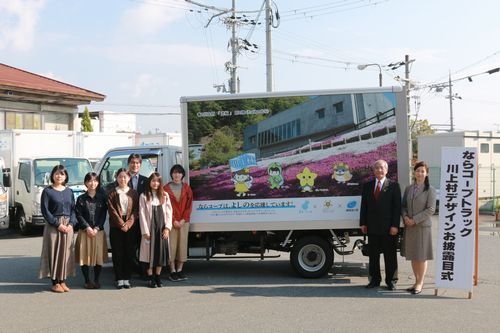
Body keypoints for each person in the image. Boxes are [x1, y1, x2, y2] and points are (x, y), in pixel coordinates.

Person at [360, 159, 401, 290]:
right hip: (372, 227)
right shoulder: (367, 186)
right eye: (376, 168)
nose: (379, 170)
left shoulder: (394, 186)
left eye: (381, 168)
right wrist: (363, 223)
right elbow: (364, 206)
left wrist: (395, 225)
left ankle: (391, 280)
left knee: (390, 256)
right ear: (373, 170)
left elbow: (397, 208)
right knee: (373, 256)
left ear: (386, 170)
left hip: (389, 228)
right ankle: (375, 280)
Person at [39, 165, 77, 293]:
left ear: (66, 176)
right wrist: (57, 224)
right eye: (57, 174)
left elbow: (73, 210)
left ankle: (63, 281)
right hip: (53, 226)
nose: (59, 176)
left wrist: (71, 224)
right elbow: (45, 211)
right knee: (53, 253)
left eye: (62, 174)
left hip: (68, 226)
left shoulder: (69, 191)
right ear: (52, 175)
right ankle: (55, 282)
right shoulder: (47, 191)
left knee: (65, 254)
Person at [401, 161, 436, 295]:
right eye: (417, 170)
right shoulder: (409, 188)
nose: (420, 173)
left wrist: (414, 220)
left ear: (426, 173)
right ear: (414, 172)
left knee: (421, 256)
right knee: (413, 255)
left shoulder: (430, 190)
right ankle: (416, 281)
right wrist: (405, 218)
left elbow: (431, 209)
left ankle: (420, 283)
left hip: (422, 227)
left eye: (422, 171)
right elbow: (403, 206)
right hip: (409, 226)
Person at [139, 172, 173, 288]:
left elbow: (169, 213)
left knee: (160, 253)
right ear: (149, 182)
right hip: (149, 228)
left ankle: (158, 276)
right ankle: (151, 278)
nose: (155, 183)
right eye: (153, 181)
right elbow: (142, 214)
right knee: (149, 254)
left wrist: (167, 228)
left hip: (162, 228)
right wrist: (145, 232)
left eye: (158, 181)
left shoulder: (165, 195)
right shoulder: (144, 196)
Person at [75, 172, 108, 289]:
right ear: (85, 183)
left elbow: (103, 215)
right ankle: (87, 280)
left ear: (98, 182)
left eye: (95, 181)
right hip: (85, 232)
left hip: (98, 232)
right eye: (89, 181)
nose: (92, 183)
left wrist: (97, 227)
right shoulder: (81, 199)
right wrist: (87, 227)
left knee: (98, 257)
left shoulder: (102, 198)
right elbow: (78, 215)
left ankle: (96, 280)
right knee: (85, 256)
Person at [107, 168, 139, 289]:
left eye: (125, 177)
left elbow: (136, 210)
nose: (123, 179)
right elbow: (112, 211)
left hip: (130, 226)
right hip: (116, 226)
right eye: (120, 177)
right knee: (117, 252)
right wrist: (122, 224)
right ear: (117, 178)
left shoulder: (134, 193)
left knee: (129, 252)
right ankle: (119, 278)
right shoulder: (111, 193)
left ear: (129, 178)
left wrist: (129, 223)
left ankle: (127, 278)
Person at [163, 164, 193, 282]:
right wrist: (173, 220)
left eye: (179, 172)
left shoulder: (187, 188)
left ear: (182, 175)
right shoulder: (165, 189)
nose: (177, 175)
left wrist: (182, 220)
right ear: (171, 174)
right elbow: (164, 207)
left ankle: (180, 270)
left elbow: (189, 206)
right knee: (172, 246)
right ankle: (172, 270)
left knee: (182, 245)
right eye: (175, 172)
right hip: (170, 222)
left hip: (183, 222)